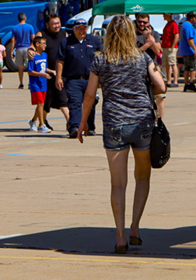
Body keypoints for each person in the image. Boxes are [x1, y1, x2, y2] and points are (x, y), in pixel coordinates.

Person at [77, 15, 167, 254]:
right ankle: (135, 228)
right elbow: (161, 86)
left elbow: (89, 95)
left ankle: (120, 237)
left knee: (118, 184)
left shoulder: (100, 60)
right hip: (142, 124)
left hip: (114, 124)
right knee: (142, 177)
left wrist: (83, 122)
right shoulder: (141, 57)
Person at [58, 17, 102, 138]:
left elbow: (101, 58)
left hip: (91, 79)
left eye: (84, 28)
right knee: (75, 103)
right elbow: (60, 61)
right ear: (74, 29)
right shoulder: (66, 42)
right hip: (73, 79)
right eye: (79, 29)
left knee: (91, 102)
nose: (82, 31)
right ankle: (74, 127)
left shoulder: (94, 41)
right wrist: (58, 77)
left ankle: (90, 126)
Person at [36, 15, 70, 129]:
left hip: (60, 73)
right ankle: (42, 120)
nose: (57, 26)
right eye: (54, 24)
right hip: (46, 74)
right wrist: (31, 51)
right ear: (47, 25)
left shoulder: (64, 35)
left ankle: (71, 123)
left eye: (58, 23)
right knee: (47, 101)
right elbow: (33, 47)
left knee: (62, 99)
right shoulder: (41, 34)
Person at [134, 13, 166, 113]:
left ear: (149, 22)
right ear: (136, 21)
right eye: (140, 22)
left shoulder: (154, 34)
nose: (142, 24)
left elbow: (157, 51)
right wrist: (148, 43)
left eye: (145, 22)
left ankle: (160, 122)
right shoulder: (133, 35)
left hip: (153, 67)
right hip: (138, 68)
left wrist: (149, 38)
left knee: (160, 96)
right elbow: (134, 53)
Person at [27, 36, 52, 133]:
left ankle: (33, 120)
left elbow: (44, 68)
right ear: (37, 44)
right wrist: (42, 74)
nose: (45, 45)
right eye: (43, 43)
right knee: (40, 104)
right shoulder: (33, 56)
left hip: (43, 83)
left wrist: (52, 72)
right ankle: (41, 124)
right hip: (35, 84)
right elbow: (30, 71)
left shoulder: (45, 55)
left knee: (41, 104)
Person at [8, 13, 36, 89]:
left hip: (19, 48)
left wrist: (11, 51)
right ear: (25, 18)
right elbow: (33, 38)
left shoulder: (14, 28)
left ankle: (21, 83)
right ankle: (30, 83)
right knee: (29, 66)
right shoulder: (30, 27)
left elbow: (13, 40)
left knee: (20, 67)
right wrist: (33, 46)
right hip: (27, 48)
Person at [178, 11, 196, 93]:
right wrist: (195, 49)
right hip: (190, 51)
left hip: (186, 51)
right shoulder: (188, 26)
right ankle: (191, 83)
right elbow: (190, 39)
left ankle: (186, 84)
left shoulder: (184, 25)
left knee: (187, 68)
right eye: (195, 18)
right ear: (192, 18)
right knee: (193, 67)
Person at [161, 14, 180, 88]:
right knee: (167, 64)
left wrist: (173, 45)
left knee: (173, 63)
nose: (163, 17)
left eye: (165, 15)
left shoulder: (173, 24)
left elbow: (176, 35)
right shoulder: (167, 24)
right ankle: (168, 80)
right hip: (165, 46)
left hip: (170, 47)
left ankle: (175, 80)